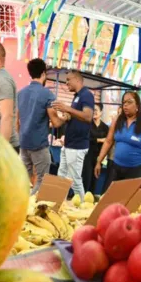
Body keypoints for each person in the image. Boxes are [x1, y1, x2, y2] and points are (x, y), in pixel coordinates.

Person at [17, 58, 65, 194]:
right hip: (39, 144)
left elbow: (17, 120)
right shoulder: (47, 94)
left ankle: (22, 206)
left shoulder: (21, 93)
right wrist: (66, 118)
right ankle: (33, 205)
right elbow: (55, 122)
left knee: (23, 180)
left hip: (24, 143)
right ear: (44, 74)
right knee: (42, 180)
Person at [51, 71, 94, 200]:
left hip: (77, 146)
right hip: (69, 144)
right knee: (61, 175)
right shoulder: (77, 96)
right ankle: (59, 202)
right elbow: (77, 115)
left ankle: (82, 207)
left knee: (74, 179)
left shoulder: (87, 95)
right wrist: (67, 116)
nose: (66, 82)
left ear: (77, 80)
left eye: (69, 79)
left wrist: (68, 109)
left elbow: (88, 116)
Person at [95, 92, 141, 186]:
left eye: (129, 102)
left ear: (137, 105)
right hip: (116, 168)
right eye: (124, 102)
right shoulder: (117, 120)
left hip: (135, 171)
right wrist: (99, 161)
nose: (125, 105)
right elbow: (108, 141)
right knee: (111, 198)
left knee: (129, 200)